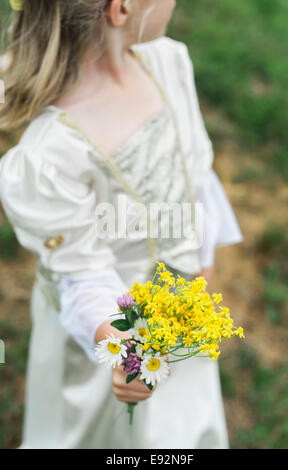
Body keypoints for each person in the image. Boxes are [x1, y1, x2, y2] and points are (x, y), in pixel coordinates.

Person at [0, 0, 243, 449]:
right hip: (111, 333)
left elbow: (195, 176)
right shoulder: (52, 153)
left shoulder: (168, 61)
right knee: (104, 435)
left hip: (180, 312)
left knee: (180, 432)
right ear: (122, 8)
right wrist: (127, 353)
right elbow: (82, 277)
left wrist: (202, 264)